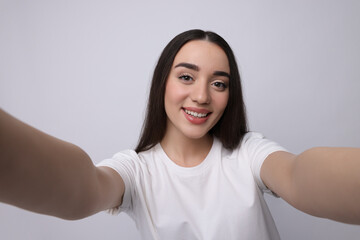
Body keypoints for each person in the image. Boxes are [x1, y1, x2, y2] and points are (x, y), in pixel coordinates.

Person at [0, 29, 359, 240]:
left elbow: (299, 175)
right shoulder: (137, 171)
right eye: (186, 77)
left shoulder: (248, 153)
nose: (202, 96)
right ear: (163, 84)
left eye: (219, 83)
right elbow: (83, 187)